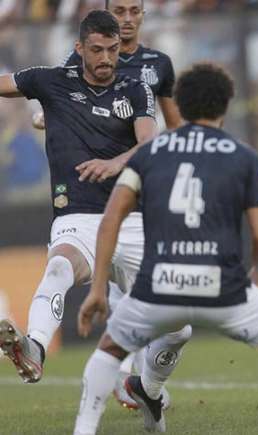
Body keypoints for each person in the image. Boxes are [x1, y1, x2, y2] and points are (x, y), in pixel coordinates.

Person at [74, 62, 258, 435]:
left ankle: (83, 429)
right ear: (226, 105)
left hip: (160, 285)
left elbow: (111, 219)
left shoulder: (148, 153)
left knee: (108, 352)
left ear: (178, 106)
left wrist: (99, 287)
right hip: (222, 285)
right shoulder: (243, 156)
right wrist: (257, 279)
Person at [0, 10, 162, 384]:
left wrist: (114, 163)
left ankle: (149, 388)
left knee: (176, 328)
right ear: (79, 48)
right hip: (79, 217)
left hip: (132, 217)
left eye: (113, 49)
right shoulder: (51, 82)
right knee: (58, 268)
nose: (106, 58)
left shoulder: (135, 88)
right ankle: (34, 348)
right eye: (96, 50)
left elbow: (149, 145)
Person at [34, 0, 182, 131]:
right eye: (119, 12)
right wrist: (42, 117)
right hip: (93, 156)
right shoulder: (81, 57)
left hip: (140, 157)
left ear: (142, 15)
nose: (128, 19)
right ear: (107, 14)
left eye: (134, 11)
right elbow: (52, 103)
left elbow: (174, 125)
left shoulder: (160, 62)